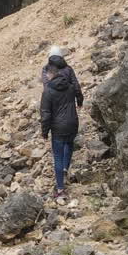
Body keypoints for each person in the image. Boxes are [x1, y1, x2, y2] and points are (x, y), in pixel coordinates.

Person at [40, 49, 84, 199]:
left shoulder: (47, 92)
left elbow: (45, 115)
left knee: (57, 156)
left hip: (58, 127)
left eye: (46, 74)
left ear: (51, 74)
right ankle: (66, 168)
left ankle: (60, 190)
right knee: (69, 144)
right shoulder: (70, 87)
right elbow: (77, 89)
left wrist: (44, 132)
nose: (45, 76)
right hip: (73, 123)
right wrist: (80, 101)